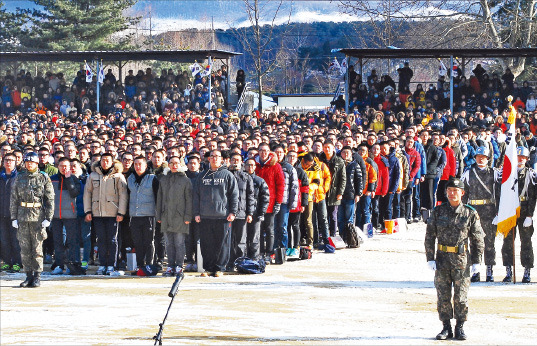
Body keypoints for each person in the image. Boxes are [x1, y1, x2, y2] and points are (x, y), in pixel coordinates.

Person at [425, 177, 484, 340]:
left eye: (455, 191)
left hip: (461, 260)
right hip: (442, 260)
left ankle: (460, 327)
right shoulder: (438, 212)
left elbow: (478, 238)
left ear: (462, 193)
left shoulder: (469, 213)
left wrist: (477, 260)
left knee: (461, 297)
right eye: (449, 190)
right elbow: (430, 236)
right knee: (443, 296)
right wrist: (430, 257)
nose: (452, 193)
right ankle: (446, 327)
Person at [10, 152, 55, 288]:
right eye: (27, 162)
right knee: (24, 248)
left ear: (36, 163)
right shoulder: (19, 178)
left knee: (37, 248)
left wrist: (48, 217)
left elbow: (50, 199)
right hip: (23, 217)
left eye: (32, 162)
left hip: (38, 217)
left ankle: (37, 276)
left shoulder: (43, 178)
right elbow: (14, 199)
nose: (30, 164)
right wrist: (14, 217)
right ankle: (28, 275)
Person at [193, 149, 238, 277]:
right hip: (205, 216)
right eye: (212, 156)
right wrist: (196, 213)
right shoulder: (202, 175)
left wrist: (233, 212)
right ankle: (208, 268)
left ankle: (220, 268)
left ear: (222, 159)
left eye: (217, 156)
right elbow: (196, 196)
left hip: (223, 216)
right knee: (207, 244)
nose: (214, 158)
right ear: (208, 159)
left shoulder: (227, 175)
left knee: (222, 244)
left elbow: (234, 195)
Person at [460, 145, 501, 282]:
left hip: (489, 210)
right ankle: (475, 269)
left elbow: (500, 193)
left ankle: (489, 270)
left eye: (483, 157)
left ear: (488, 159)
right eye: (478, 157)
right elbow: (463, 193)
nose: (481, 159)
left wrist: (498, 212)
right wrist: (464, 210)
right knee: (475, 242)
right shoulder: (468, 173)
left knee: (490, 242)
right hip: (473, 211)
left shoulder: (494, 173)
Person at [83, 153, 128, 275]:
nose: (105, 163)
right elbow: (87, 194)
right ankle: (102, 264)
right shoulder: (93, 175)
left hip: (113, 213)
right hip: (97, 213)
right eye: (103, 160)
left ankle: (112, 265)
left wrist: (121, 212)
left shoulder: (118, 176)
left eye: (108, 160)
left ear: (112, 162)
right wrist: (88, 210)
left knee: (112, 240)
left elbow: (123, 196)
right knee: (101, 240)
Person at [501, 147, 536, 283]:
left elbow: (532, 196)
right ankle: (508, 270)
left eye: (523, 158)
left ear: (527, 159)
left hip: (524, 210)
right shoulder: (507, 174)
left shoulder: (531, 174)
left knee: (526, 242)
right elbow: (501, 194)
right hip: (510, 211)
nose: (520, 160)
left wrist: (530, 215)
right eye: (518, 157)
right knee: (508, 242)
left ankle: (527, 271)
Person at [156, 156, 192, 276]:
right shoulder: (163, 179)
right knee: (169, 243)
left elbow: (189, 199)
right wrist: (159, 215)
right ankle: (170, 265)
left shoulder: (185, 180)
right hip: (166, 216)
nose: (174, 165)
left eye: (176, 163)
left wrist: (188, 216)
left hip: (180, 216)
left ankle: (179, 265)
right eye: (171, 163)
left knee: (179, 243)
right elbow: (160, 198)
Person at [49, 157, 82, 274]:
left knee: (72, 241)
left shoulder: (74, 179)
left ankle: (71, 265)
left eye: (66, 166)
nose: (64, 168)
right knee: (58, 241)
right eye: (61, 166)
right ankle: (59, 265)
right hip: (56, 215)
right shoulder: (52, 179)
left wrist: (68, 179)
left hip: (71, 215)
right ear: (58, 166)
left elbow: (74, 193)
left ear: (70, 167)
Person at [127, 156, 159, 271]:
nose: (138, 166)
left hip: (149, 215)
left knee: (149, 241)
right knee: (137, 242)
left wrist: (158, 214)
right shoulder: (130, 178)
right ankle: (140, 265)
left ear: (146, 165)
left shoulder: (152, 178)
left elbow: (157, 197)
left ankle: (149, 264)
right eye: (135, 164)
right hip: (134, 215)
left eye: (140, 164)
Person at [227, 153, 255, 269]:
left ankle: (240, 263)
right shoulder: (226, 175)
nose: (235, 162)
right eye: (233, 159)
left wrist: (250, 213)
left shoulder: (246, 177)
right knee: (228, 240)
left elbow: (251, 196)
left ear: (241, 162)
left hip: (242, 213)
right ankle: (228, 262)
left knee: (240, 240)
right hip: (227, 213)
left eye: (237, 160)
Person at [0, 153, 21, 272]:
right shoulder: (1, 177)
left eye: (11, 160)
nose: (8, 162)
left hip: (15, 215)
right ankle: (6, 262)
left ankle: (17, 262)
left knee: (15, 240)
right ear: (3, 162)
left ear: (16, 162)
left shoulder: (19, 177)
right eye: (6, 160)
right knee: (4, 240)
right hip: (1, 214)